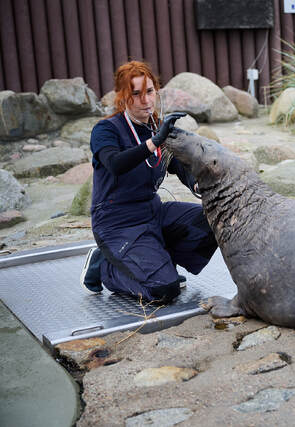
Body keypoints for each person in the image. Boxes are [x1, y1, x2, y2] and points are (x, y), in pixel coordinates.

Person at [80, 60, 217, 303]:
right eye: (136, 94)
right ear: (123, 97)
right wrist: (154, 142)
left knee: (215, 220)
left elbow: (176, 164)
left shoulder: (154, 126)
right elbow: (115, 164)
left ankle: (159, 263)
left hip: (152, 213)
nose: (146, 100)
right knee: (164, 290)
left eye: (150, 92)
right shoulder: (106, 130)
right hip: (117, 223)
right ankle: (105, 268)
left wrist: (198, 184)